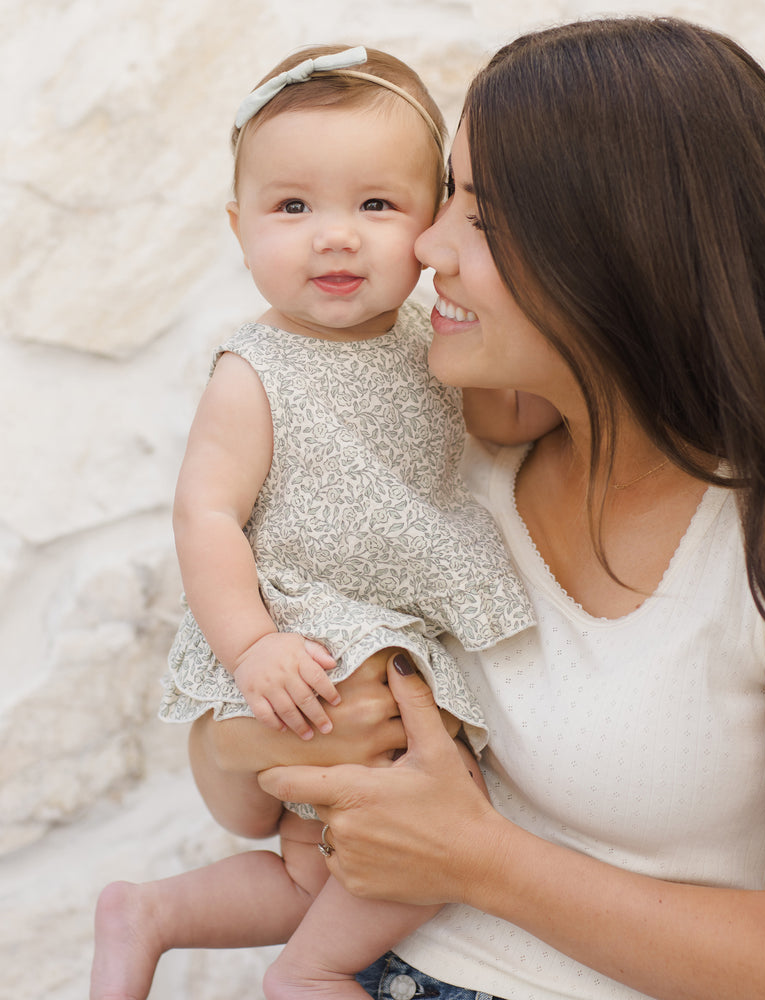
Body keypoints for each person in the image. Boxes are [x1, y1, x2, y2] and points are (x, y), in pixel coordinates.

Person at [190, 16, 765, 1000]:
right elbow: (236, 798)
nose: (425, 244)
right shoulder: (445, 457)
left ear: (610, 249)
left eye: (474, 212)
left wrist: (482, 859)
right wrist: (243, 737)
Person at [90, 42, 559, 1000]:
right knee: (451, 815)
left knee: (323, 870)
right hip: (305, 638)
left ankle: (153, 913)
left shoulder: (437, 340)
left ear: (431, 220)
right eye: (293, 207)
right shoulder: (253, 369)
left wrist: (581, 370)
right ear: (238, 226)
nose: (335, 237)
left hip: (393, 631)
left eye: (376, 205)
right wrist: (252, 645)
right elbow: (208, 514)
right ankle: (307, 972)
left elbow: (507, 417)